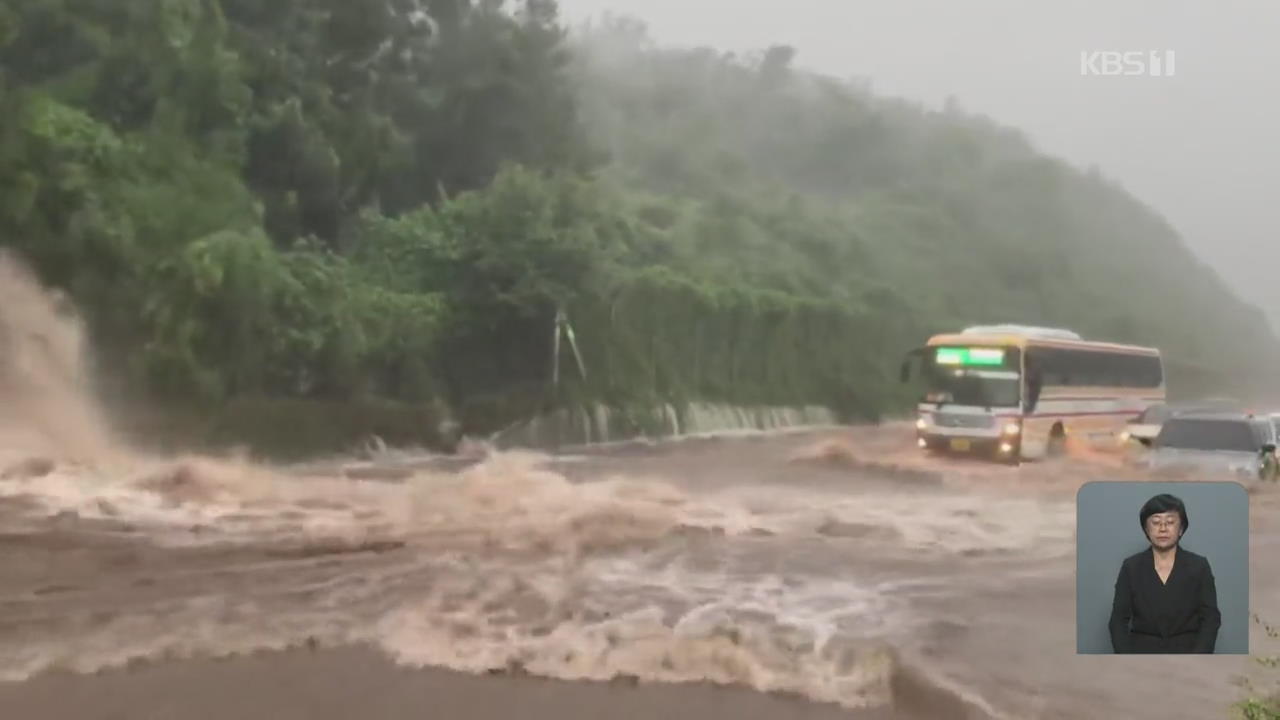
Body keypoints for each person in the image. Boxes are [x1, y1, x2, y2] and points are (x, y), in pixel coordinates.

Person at [1108, 493, 1221, 653]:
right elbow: (1118, 620)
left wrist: (1199, 657)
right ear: (1146, 529)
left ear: (1181, 529)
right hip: (1141, 655)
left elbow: (1211, 619)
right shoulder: (1131, 567)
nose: (1162, 528)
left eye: (1170, 522)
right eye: (1155, 522)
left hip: (1189, 654)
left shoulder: (1199, 566)